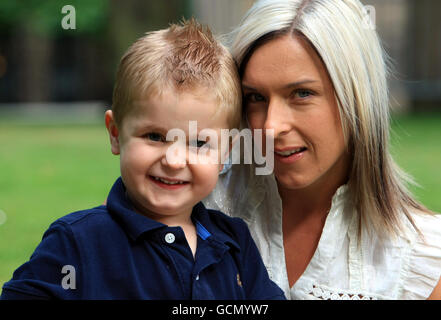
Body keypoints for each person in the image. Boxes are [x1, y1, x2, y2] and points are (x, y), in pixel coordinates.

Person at [0, 19, 285, 300]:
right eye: (155, 136)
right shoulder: (77, 242)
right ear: (115, 134)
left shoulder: (234, 244)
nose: (173, 160)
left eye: (198, 143)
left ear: (225, 152)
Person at [203, 0, 441, 300]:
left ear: (356, 97)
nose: (271, 127)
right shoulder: (196, 201)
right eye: (255, 97)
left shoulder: (423, 261)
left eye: (302, 94)